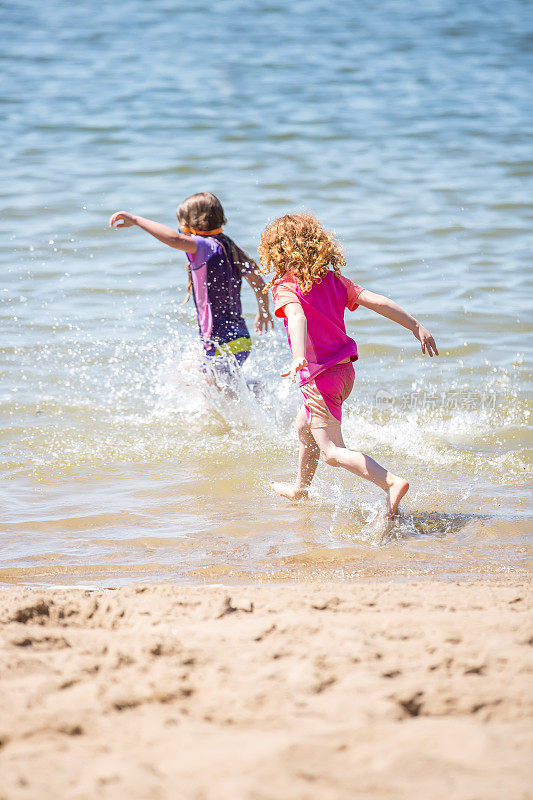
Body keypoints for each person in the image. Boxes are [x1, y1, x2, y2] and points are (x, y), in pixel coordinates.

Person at [258, 213, 439, 517]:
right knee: (304, 427)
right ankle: (300, 490)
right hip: (344, 373)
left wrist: (298, 355)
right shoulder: (334, 281)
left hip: (319, 378)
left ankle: (390, 482)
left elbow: (297, 316)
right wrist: (415, 325)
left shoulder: (285, 287)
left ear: (275, 252)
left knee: (331, 451)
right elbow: (375, 300)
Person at [109, 192, 273, 374]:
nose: (179, 227)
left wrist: (137, 220)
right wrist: (264, 312)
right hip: (241, 338)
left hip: (220, 341)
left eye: (181, 222)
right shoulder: (233, 248)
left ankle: (258, 392)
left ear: (194, 223)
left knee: (212, 387)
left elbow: (174, 239)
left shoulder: (203, 246)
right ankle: (258, 392)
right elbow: (259, 283)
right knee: (190, 372)